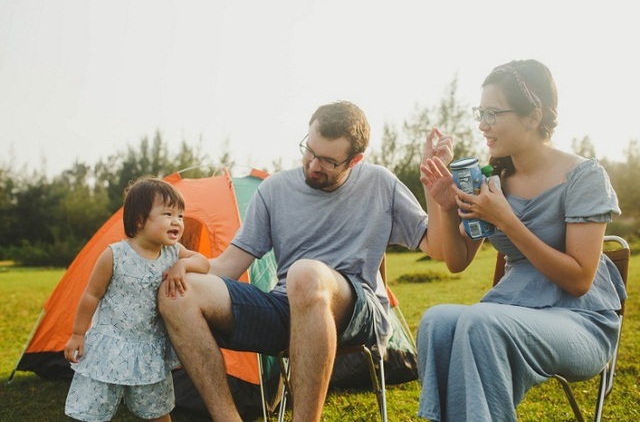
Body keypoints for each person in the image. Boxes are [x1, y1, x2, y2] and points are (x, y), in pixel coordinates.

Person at [158, 100, 452, 421]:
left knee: (305, 274)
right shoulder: (274, 189)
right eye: (309, 151)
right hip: (287, 304)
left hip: (357, 310)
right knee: (178, 294)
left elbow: (437, 247)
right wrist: (184, 262)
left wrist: (431, 187)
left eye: (327, 161)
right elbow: (226, 267)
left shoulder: (379, 183)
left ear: (355, 160)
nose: (313, 165)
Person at [417, 59, 625, 421]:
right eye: (480, 113)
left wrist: (507, 221)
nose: (482, 124)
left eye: (493, 113)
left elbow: (579, 280)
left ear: (533, 115)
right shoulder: (491, 177)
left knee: (481, 322)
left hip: (580, 321)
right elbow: (457, 261)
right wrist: (446, 206)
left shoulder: (583, 177)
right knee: (437, 321)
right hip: (514, 310)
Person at [64, 177, 210, 422]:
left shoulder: (173, 252)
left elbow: (204, 263)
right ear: (139, 219)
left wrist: (182, 265)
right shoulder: (115, 254)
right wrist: (78, 334)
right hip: (110, 345)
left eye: (181, 216)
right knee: (94, 405)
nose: (177, 221)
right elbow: (92, 294)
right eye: (168, 214)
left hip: (149, 347)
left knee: (157, 407)